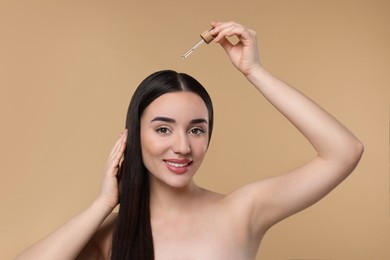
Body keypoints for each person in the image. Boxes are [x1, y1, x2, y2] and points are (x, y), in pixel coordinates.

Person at [16, 21, 363, 260]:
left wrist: (254, 71)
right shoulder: (111, 232)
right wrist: (103, 205)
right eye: (163, 129)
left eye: (197, 129)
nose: (182, 146)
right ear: (134, 137)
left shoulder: (242, 211)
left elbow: (344, 151)